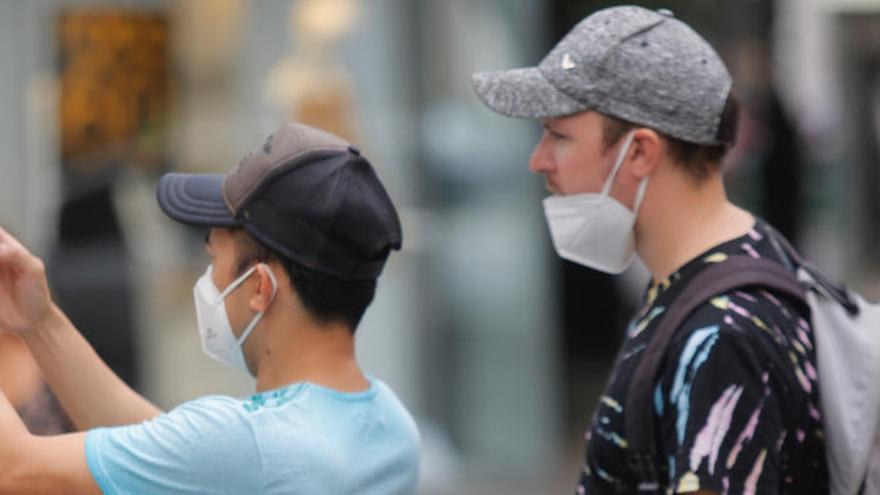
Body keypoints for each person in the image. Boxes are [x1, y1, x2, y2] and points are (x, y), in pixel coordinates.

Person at [471, 6, 826, 494]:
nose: (539, 161)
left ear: (639, 152)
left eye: (558, 136)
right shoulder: (732, 264)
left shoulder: (722, 336)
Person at [0, 122, 420, 494]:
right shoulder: (392, 427)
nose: (208, 279)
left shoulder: (244, 445)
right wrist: (39, 322)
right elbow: (173, 456)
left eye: (213, 258)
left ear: (260, 286)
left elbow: (15, 470)